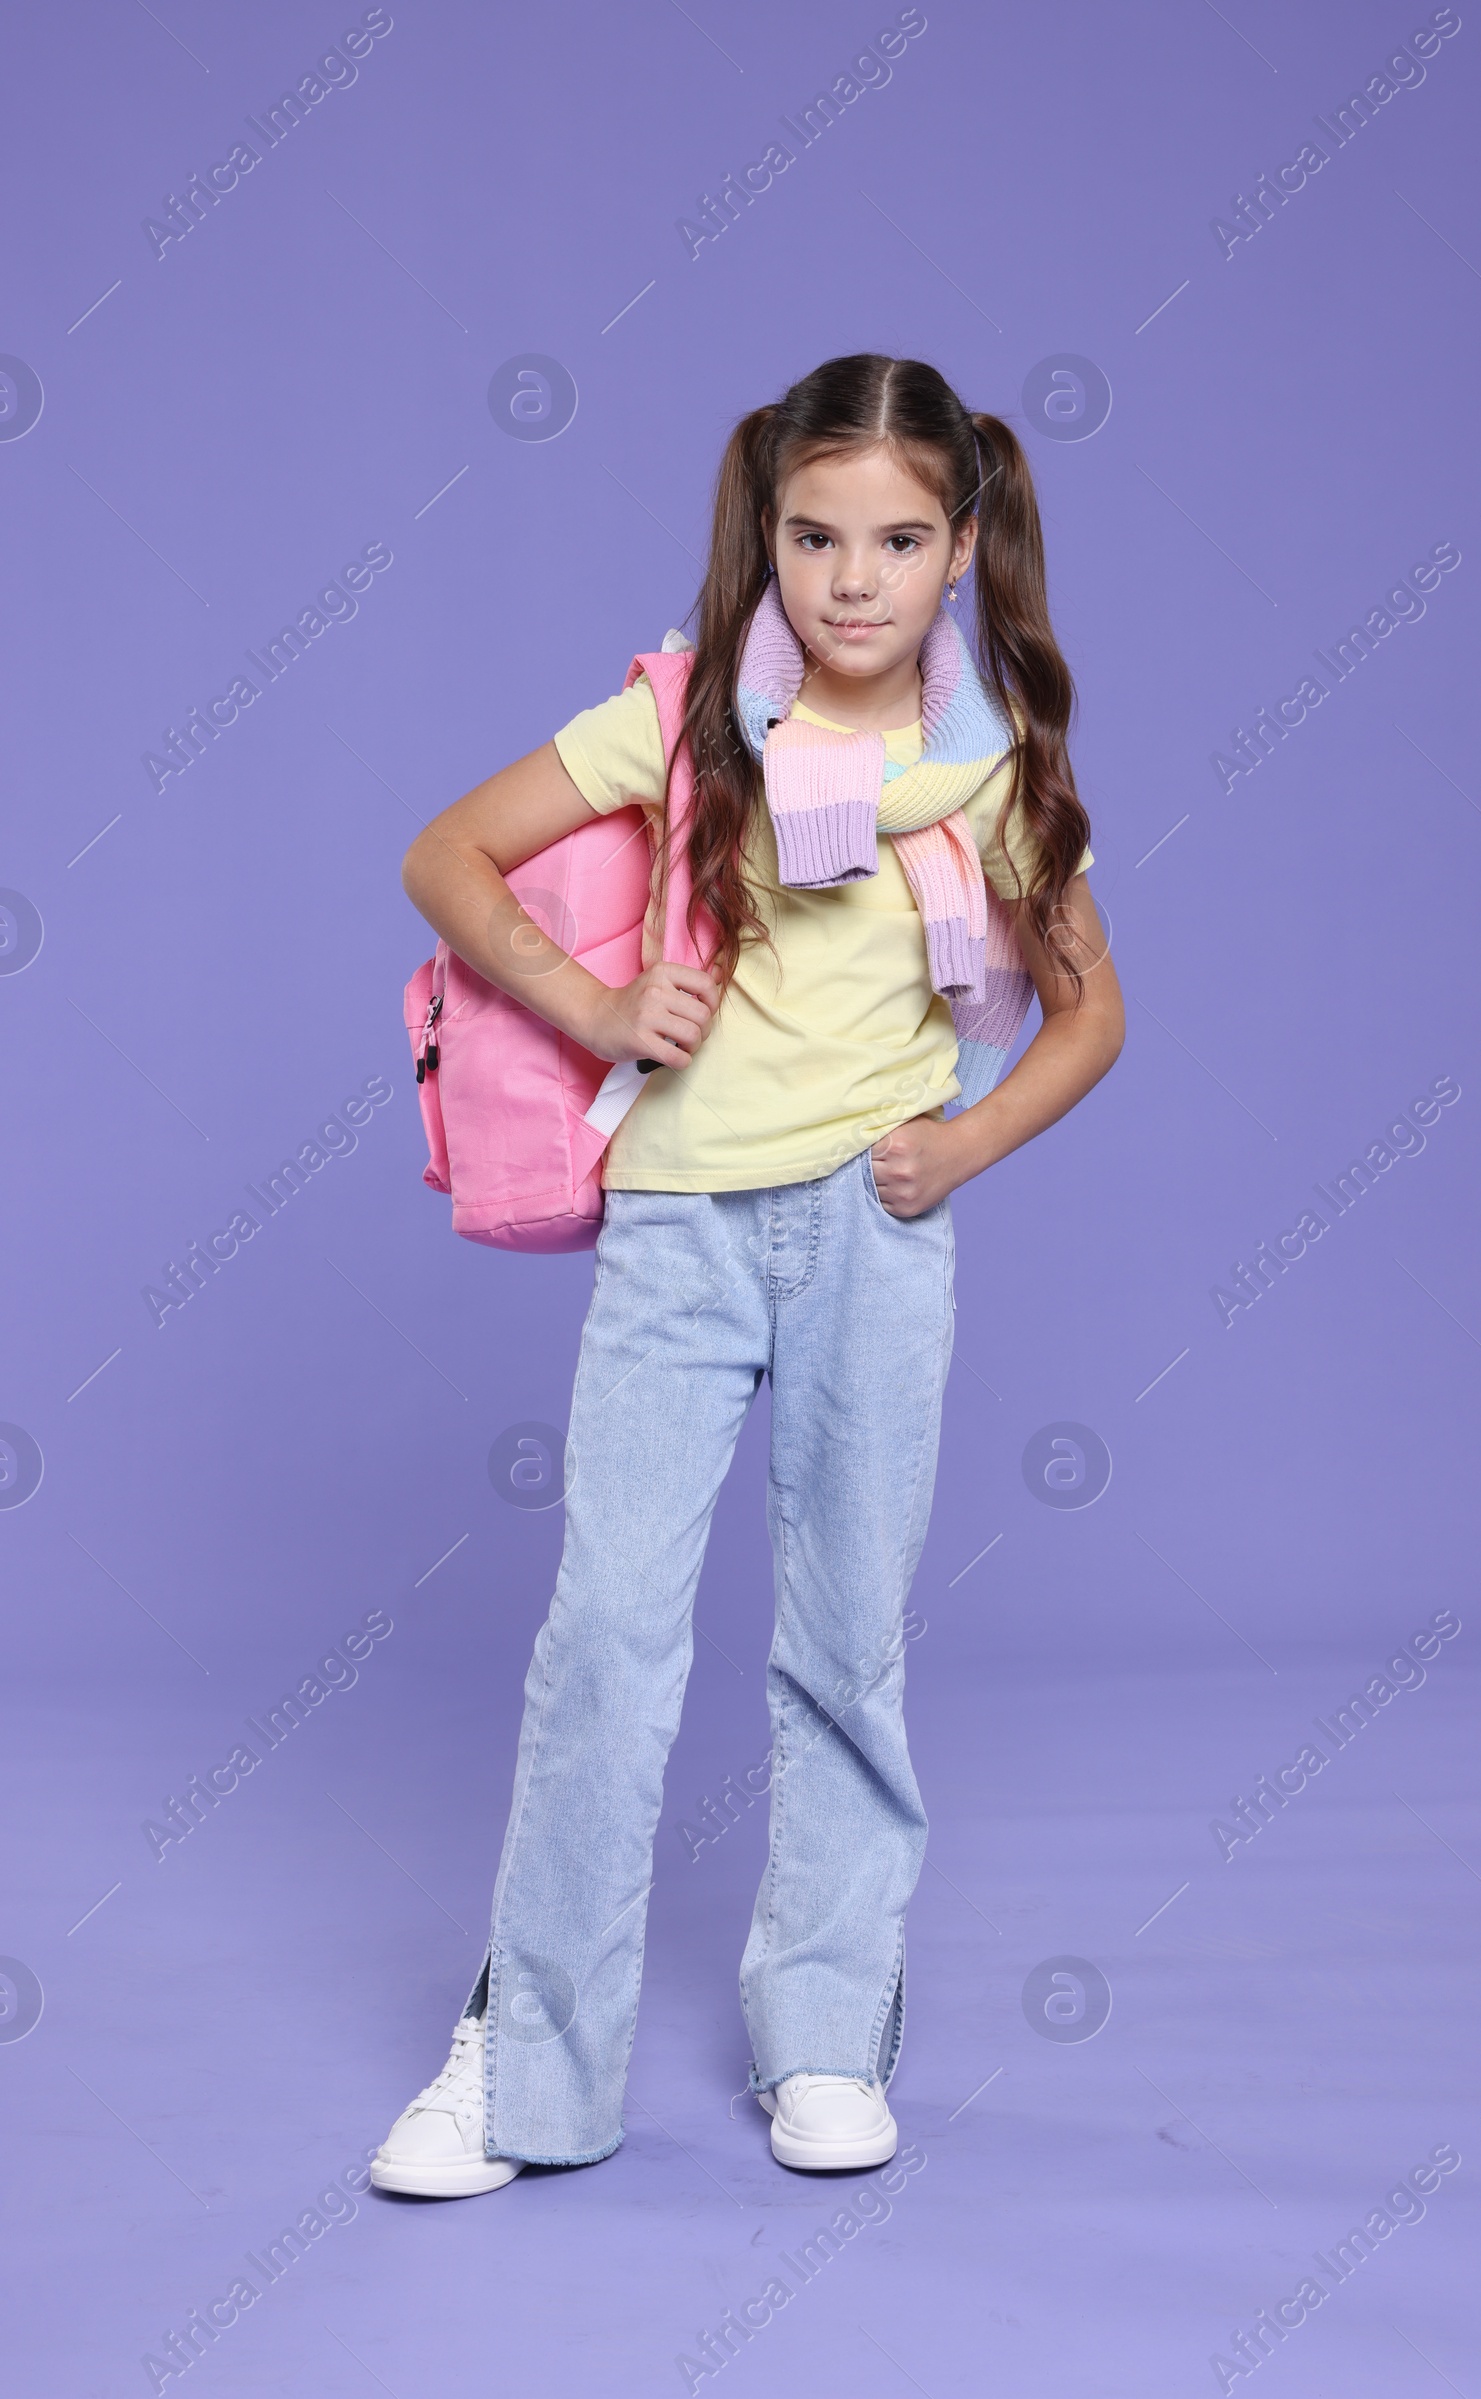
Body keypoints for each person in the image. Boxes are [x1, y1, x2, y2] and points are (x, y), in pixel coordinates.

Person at [372, 353, 1123, 2196]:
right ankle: (523, 2062)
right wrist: (601, 1005)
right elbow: (444, 854)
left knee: (843, 1647)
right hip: (679, 1234)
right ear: (765, 531)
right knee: (607, 1640)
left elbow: (1092, 1012)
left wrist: (962, 1141)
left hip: (873, 1239)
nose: (850, 577)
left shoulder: (996, 772)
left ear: (964, 550)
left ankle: (826, 2020)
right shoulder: (689, 715)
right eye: (813, 534)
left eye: (897, 539)